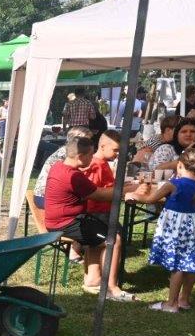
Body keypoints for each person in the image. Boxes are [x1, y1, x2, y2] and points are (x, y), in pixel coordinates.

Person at [44, 136, 135, 301]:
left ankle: (93, 280)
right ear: (80, 157)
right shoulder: (73, 176)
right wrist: (129, 190)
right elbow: (100, 195)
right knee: (113, 240)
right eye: (90, 155)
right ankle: (111, 288)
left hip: (59, 220)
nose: (92, 158)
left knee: (97, 234)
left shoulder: (58, 166)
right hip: (66, 223)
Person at [126, 149, 195, 312]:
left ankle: (171, 303)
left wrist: (133, 195)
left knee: (177, 265)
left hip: (175, 227)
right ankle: (184, 300)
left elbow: (150, 199)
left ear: (179, 165)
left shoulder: (174, 184)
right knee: (191, 261)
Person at [33, 126, 93, 209]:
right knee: (85, 204)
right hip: (44, 198)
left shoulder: (65, 151)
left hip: (43, 196)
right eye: (85, 142)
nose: (89, 145)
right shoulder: (66, 154)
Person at [82, 130, 126, 221]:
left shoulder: (103, 162)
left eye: (119, 151)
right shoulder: (96, 165)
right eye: (115, 150)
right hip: (98, 213)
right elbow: (92, 193)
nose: (118, 153)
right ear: (102, 147)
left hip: (105, 210)